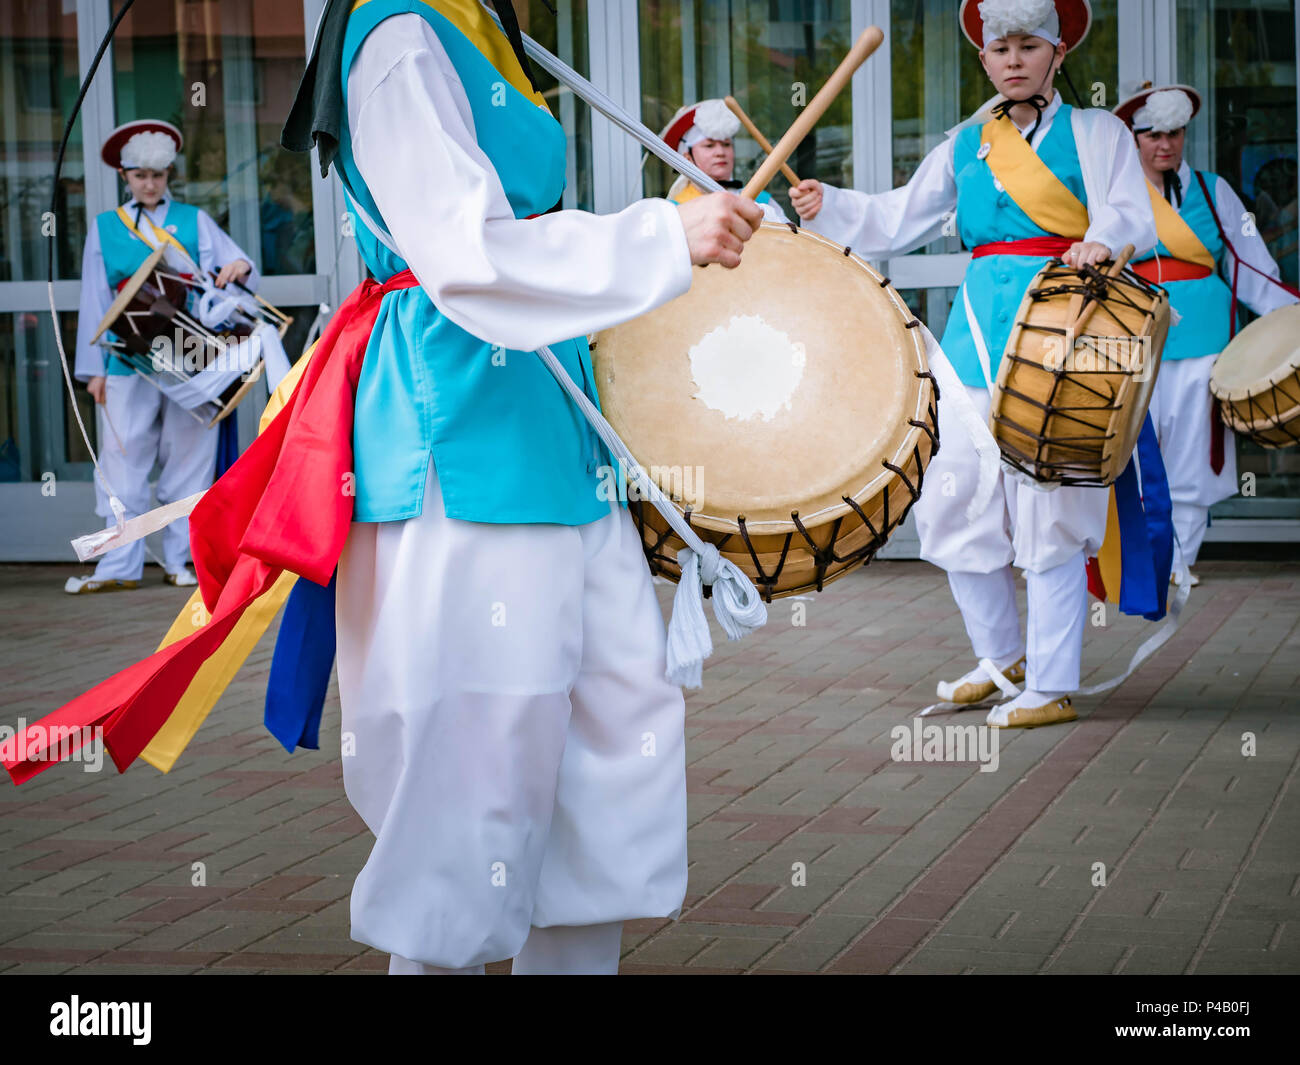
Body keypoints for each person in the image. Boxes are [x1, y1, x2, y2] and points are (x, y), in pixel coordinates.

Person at [5, 0, 764, 976]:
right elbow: (463, 253)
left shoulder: (471, 25)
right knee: (475, 759)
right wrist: (661, 235)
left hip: (545, 431)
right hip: (453, 437)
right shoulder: (397, 31)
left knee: (600, 749)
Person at [790, 0, 1158, 728]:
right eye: (1000, 48)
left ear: (1058, 52)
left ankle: (1051, 682)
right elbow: (897, 219)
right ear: (984, 60)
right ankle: (1003, 656)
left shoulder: (1098, 131)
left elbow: (1131, 212)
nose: (1013, 59)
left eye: (1028, 45)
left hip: (1064, 332)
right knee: (949, 493)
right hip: (972, 344)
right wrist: (826, 201)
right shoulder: (966, 141)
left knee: (1049, 507)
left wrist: (1102, 239)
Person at [1115, 84, 1299, 583]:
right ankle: (1144, 561)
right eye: (1152, 134)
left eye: (1173, 132)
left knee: (1194, 458)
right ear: (1133, 139)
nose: (1164, 144)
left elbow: (1252, 268)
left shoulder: (1216, 190)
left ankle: (1180, 562)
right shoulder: (1115, 198)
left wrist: (1294, 320)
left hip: (1205, 344)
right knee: (1136, 456)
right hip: (1136, 341)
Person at [67, 119, 261, 594]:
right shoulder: (106, 227)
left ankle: (183, 561)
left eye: (157, 175)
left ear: (168, 174)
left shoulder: (195, 220)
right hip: (124, 359)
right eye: (139, 175)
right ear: (125, 176)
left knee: (190, 462)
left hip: (190, 359)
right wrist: (92, 370)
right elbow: (93, 298)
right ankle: (118, 567)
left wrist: (240, 267)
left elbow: (237, 269)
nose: (149, 183)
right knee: (121, 461)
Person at [661, 98, 792, 223]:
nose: (720, 152)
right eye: (709, 145)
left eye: (726, 144)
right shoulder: (675, 210)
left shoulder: (762, 200)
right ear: (688, 158)